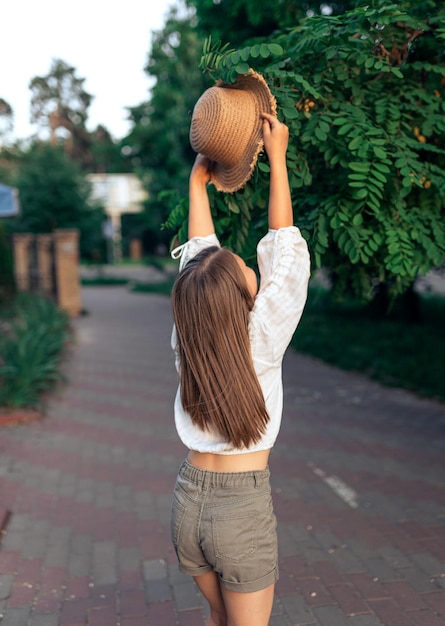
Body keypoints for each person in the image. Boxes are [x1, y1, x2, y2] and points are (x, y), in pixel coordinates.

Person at [170, 74, 310, 626]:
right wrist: (277, 158)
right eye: (246, 270)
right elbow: (286, 250)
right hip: (241, 508)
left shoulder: (190, 336)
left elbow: (198, 264)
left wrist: (197, 189)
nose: (253, 268)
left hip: (187, 503)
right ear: (243, 294)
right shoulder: (261, 342)